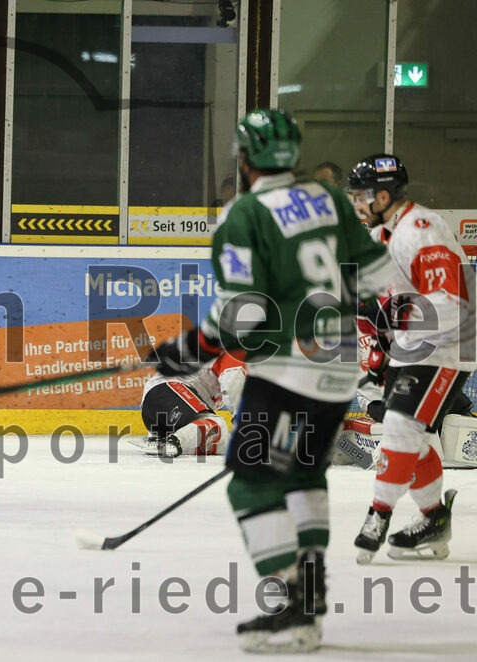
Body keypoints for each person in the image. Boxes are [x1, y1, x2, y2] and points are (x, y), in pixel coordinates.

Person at [150, 109, 401, 653]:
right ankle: (308, 611)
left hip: (287, 369)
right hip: (339, 369)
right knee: (305, 479)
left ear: (244, 159)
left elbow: (240, 311)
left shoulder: (243, 215)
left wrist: (190, 348)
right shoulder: (332, 200)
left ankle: (290, 601)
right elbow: (382, 277)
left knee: (248, 481)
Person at [347, 154, 475, 563]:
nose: (357, 204)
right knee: (412, 440)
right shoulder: (383, 234)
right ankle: (434, 519)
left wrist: (386, 318)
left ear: (384, 195)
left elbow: (451, 302)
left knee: (400, 427)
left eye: (362, 196)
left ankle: (378, 516)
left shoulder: (420, 230)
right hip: (418, 344)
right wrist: (383, 347)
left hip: (451, 342)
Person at [137, 353, 246, 458]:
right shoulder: (234, 352)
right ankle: (174, 441)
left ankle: (163, 439)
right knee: (216, 425)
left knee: (222, 440)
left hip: (155, 405)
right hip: (167, 389)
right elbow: (232, 385)